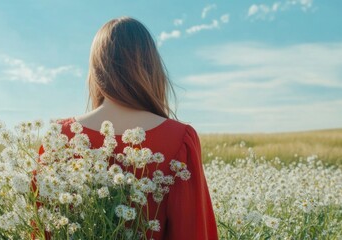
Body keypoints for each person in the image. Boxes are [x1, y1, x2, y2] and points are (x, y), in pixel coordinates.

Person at [31, 16, 218, 240]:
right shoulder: (179, 139)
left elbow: (42, 229)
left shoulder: (59, 137)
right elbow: (192, 232)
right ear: (151, 68)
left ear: (96, 70)